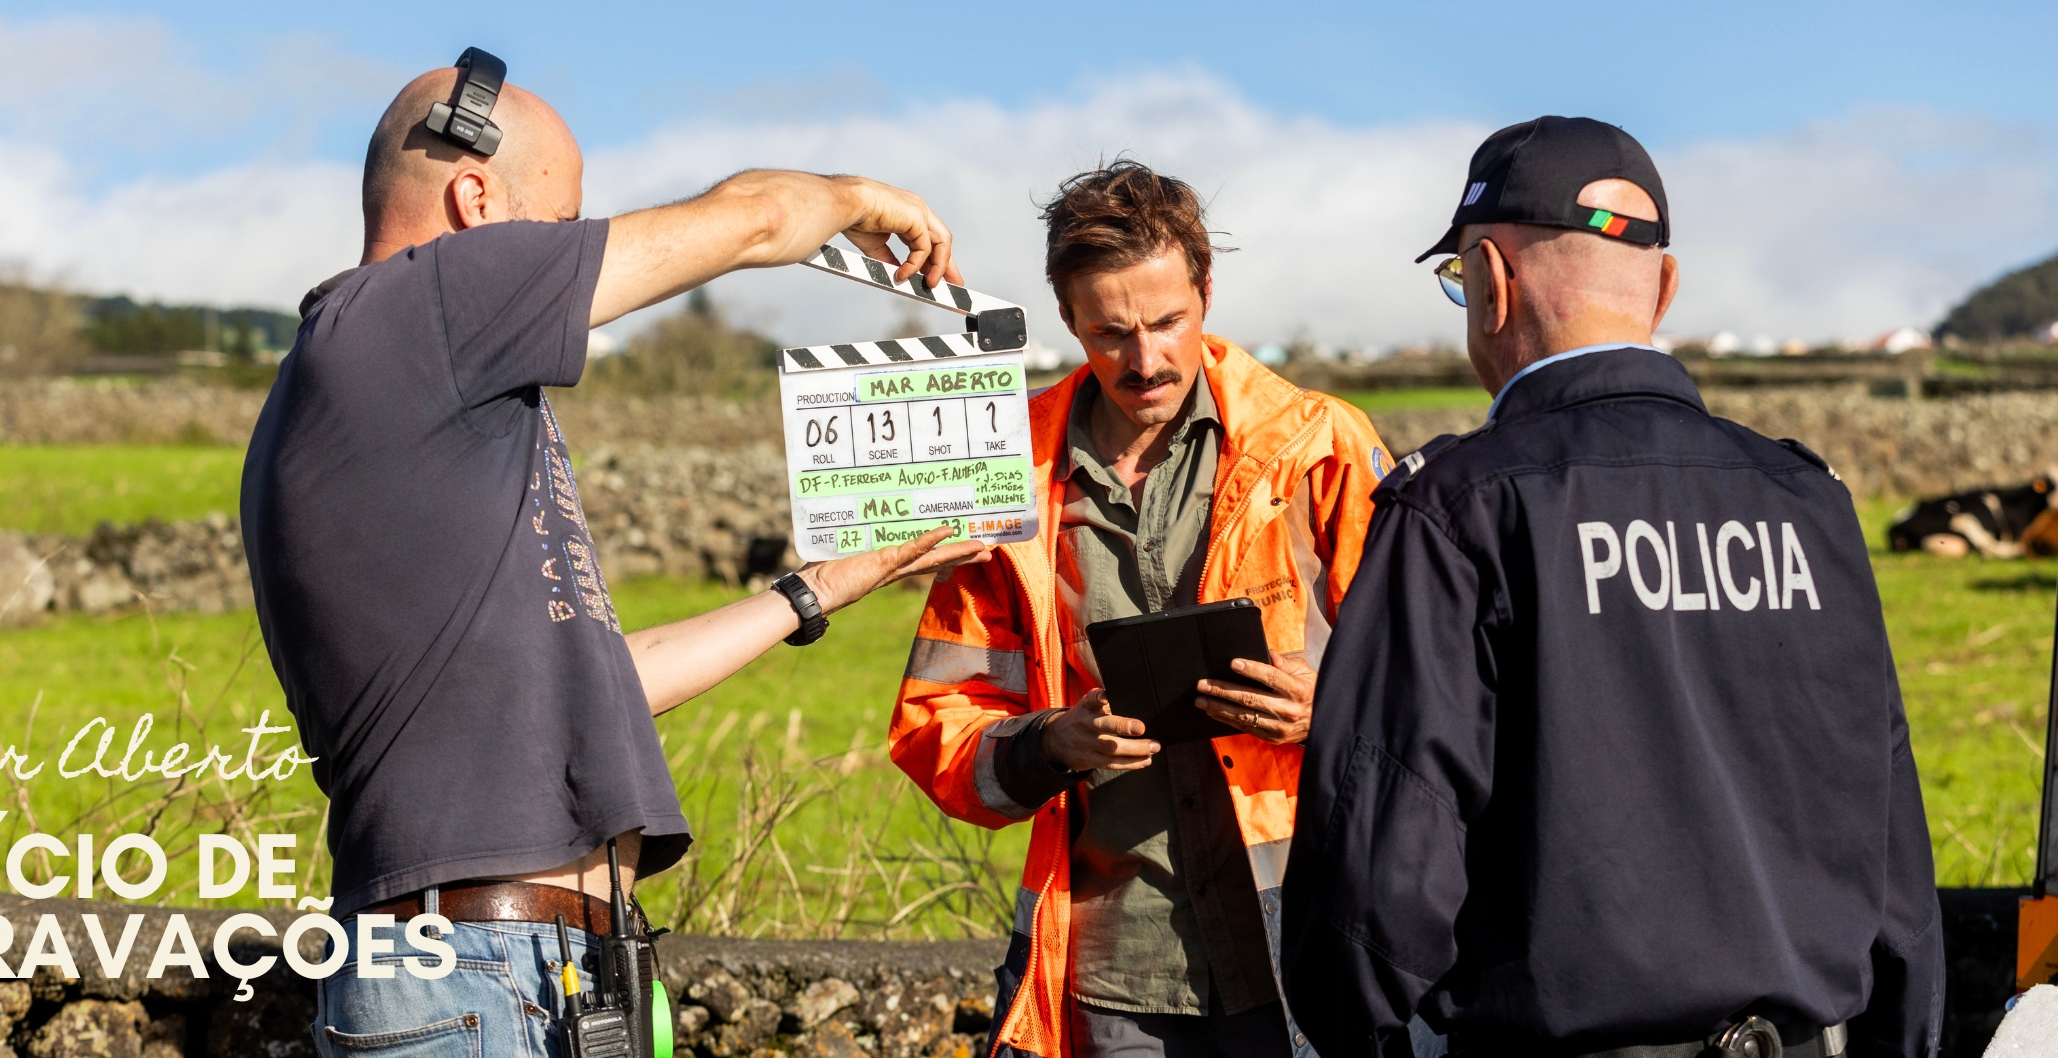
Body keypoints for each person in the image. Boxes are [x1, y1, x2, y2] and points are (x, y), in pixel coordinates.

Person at [240, 50, 988, 1056]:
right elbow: (756, 219)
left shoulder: (417, 391)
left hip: (531, 970)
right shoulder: (417, 307)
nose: (564, 259)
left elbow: (598, 684)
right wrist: (855, 196)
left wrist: (816, 591)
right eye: (556, 227)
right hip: (475, 970)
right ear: (471, 199)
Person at [1277, 117, 1943, 1058]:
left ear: (1492, 284)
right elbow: (1893, 849)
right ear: (1665, 288)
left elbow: (1379, 865)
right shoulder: (1810, 503)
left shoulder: (1458, 511)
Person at [890, 161, 1393, 1058]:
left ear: (1208, 289)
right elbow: (939, 718)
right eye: (1111, 332)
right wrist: (1050, 742)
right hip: (1111, 970)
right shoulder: (1004, 477)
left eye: (1168, 323)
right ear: (1065, 315)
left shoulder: (1322, 448)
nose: (1146, 359)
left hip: (1311, 945)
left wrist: (1333, 710)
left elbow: (1438, 687)